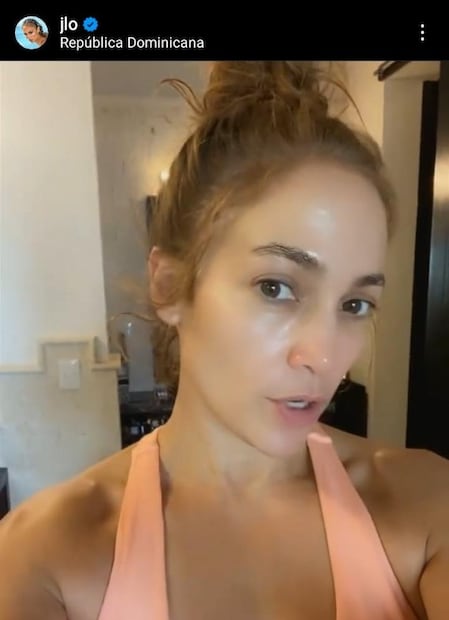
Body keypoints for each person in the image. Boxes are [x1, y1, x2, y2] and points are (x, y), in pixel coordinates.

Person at [0, 61, 448, 619]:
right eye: (276, 287)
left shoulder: (425, 505)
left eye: (355, 304)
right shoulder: (46, 557)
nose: (324, 356)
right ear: (170, 286)